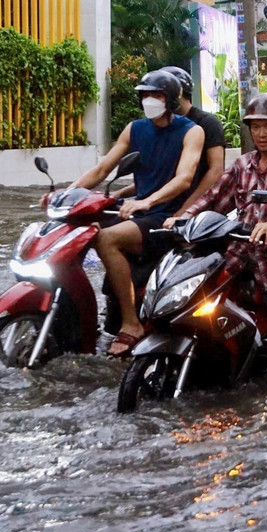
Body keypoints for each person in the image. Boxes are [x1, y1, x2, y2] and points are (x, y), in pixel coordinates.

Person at [163, 93, 267, 382]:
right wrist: (184, 217)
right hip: (240, 248)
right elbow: (215, 196)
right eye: (255, 127)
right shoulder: (243, 164)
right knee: (196, 300)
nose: (261, 133)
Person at [69, 69, 205, 357]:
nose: (149, 101)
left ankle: (131, 324)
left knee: (106, 239)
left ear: (169, 99)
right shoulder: (135, 128)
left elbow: (184, 178)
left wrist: (148, 201)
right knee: (76, 226)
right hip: (136, 208)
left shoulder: (192, 131)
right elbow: (102, 169)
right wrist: (67, 194)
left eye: (155, 95)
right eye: (144, 95)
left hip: (165, 216)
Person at [159, 66, 227, 217]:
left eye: (163, 94)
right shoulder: (161, 124)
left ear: (179, 92)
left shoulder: (207, 123)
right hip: (163, 204)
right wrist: (120, 193)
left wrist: (185, 211)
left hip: (197, 208)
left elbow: (216, 171)